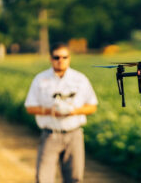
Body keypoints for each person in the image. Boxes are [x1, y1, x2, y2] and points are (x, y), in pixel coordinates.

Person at [24, 43, 98, 183]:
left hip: (74, 135)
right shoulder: (40, 79)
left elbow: (92, 106)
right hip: (50, 134)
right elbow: (30, 107)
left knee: (75, 178)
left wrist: (73, 111)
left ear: (69, 58)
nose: (60, 60)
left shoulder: (80, 79)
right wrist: (49, 111)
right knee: (43, 178)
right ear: (50, 58)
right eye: (56, 57)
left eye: (65, 57)